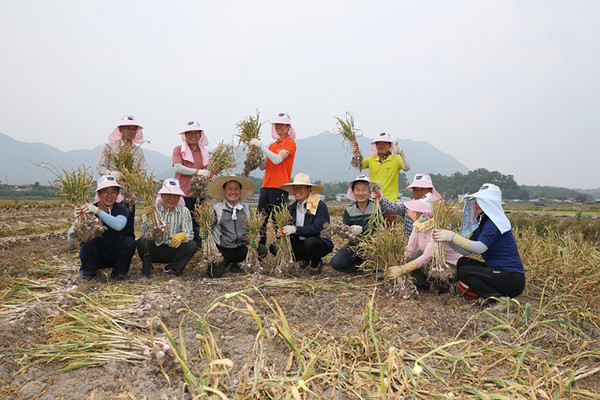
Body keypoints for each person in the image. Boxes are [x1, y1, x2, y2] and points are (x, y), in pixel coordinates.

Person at [433, 183, 525, 302]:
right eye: (476, 201)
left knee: (465, 272)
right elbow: (466, 251)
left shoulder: (494, 223)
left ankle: (498, 300)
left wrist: (453, 236)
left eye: (481, 201)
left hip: (510, 278)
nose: (476, 204)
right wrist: (449, 240)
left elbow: (480, 248)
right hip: (497, 272)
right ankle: (483, 294)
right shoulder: (484, 223)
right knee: (462, 262)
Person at [385, 193, 462, 296]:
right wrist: (398, 263)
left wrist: (403, 269)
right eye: (416, 210)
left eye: (420, 211)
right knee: (412, 257)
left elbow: (427, 256)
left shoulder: (438, 228)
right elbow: (410, 248)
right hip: (432, 261)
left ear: (428, 213)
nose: (416, 213)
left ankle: (445, 287)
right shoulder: (419, 225)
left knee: (433, 266)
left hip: (448, 265)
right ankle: (423, 283)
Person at [68, 175, 136, 281]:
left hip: (114, 255)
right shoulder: (88, 211)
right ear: (99, 193)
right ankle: (88, 273)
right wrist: (77, 220)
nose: (110, 195)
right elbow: (71, 240)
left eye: (113, 191)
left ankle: (119, 273)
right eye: (105, 191)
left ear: (118, 194)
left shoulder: (122, 210)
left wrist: (98, 211)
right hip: (96, 257)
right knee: (88, 241)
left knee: (129, 241)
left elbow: (119, 225)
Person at [249, 112, 297, 246]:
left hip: (279, 188)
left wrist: (261, 145)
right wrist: (255, 152)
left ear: (288, 126)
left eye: (282, 124)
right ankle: (261, 246)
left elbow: (276, 160)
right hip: (266, 186)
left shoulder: (290, 144)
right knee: (261, 220)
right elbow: (262, 166)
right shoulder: (272, 146)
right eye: (277, 124)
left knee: (278, 222)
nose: (279, 127)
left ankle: (280, 247)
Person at [206, 175, 268, 278]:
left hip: (242, 249)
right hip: (223, 251)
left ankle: (237, 264)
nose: (233, 192)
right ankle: (226, 263)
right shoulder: (216, 209)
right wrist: (204, 232)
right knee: (214, 274)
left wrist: (255, 240)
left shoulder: (246, 208)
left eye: (236, 189)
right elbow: (207, 231)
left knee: (262, 250)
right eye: (229, 189)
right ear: (224, 191)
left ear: (240, 191)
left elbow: (254, 229)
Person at [97, 115, 147, 239]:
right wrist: (112, 174)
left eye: (134, 129)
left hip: (129, 196)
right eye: (127, 128)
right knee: (108, 226)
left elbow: (143, 171)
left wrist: (133, 178)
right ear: (120, 130)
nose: (131, 132)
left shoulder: (138, 151)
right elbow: (100, 167)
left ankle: (126, 253)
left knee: (128, 228)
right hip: (111, 195)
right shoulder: (109, 147)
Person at [137, 178, 197, 277]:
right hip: (155, 249)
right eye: (168, 195)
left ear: (179, 197)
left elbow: (189, 234)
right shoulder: (153, 210)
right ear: (162, 196)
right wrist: (147, 218)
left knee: (192, 245)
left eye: (175, 195)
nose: (171, 198)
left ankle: (173, 268)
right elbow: (144, 233)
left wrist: (182, 236)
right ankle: (147, 269)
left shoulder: (184, 211)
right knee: (142, 241)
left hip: (172, 251)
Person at [279, 173, 333, 275]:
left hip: (317, 242)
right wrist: (282, 232)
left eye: (301, 187)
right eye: (295, 188)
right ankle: (303, 259)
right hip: (299, 243)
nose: (297, 190)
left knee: (311, 243)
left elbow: (319, 227)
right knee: (275, 246)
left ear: (309, 190)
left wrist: (296, 229)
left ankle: (316, 262)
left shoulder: (319, 205)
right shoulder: (290, 208)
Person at [352, 132, 411, 224]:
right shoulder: (371, 160)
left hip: (390, 203)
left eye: (385, 143)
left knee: (388, 233)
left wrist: (402, 153)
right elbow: (357, 165)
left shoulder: (396, 159)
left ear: (389, 145)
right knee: (372, 231)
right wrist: (355, 152)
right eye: (379, 143)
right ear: (375, 145)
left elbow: (407, 167)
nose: (381, 145)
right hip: (373, 201)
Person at [330, 175, 383, 273]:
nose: (360, 193)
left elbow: (380, 228)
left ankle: (371, 264)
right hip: (356, 244)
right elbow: (346, 231)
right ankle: (361, 268)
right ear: (353, 193)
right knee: (335, 263)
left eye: (364, 190)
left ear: (369, 192)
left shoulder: (377, 207)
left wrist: (362, 229)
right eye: (357, 190)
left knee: (382, 261)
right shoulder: (349, 210)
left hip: (374, 244)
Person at [172, 121, 211, 246]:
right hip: (183, 194)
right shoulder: (179, 150)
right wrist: (198, 171)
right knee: (182, 223)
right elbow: (178, 168)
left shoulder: (204, 152)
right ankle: (182, 249)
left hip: (199, 195)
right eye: (189, 133)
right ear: (185, 135)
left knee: (198, 224)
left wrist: (212, 174)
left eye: (196, 132)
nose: (193, 135)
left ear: (200, 135)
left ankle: (197, 248)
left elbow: (209, 170)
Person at [379, 173, 442, 238]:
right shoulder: (407, 206)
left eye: (422, 189)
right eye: (416, 190)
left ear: (430, 190)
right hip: (409, 245)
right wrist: (380, 199)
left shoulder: (438, 209)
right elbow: (394, 207)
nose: (419, 193)